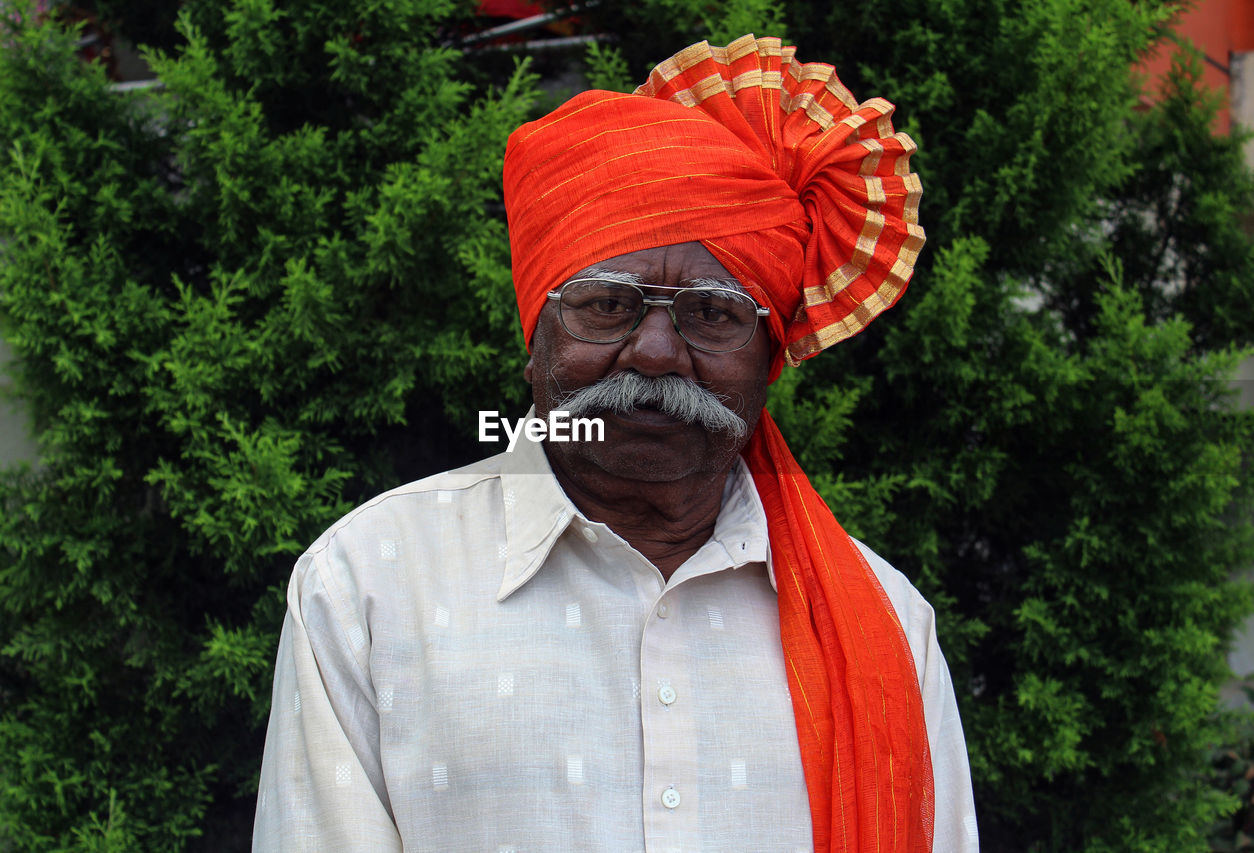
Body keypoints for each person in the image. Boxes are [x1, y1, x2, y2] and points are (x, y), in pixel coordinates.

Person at [254, 34, 978, 852]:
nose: (657, 352)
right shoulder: (369, 586)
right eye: (607, 304)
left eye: (711, 312)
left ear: (765, 356)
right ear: (536, 336)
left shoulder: (885, 624)